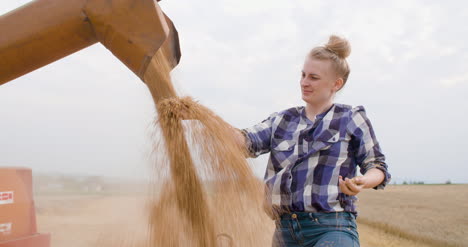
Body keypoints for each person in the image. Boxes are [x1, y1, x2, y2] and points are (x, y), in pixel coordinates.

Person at [233, 35, 391, 247]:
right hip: (285, 233)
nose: (304, 82)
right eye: (303, 75)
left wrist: (363, 181)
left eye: (313, 77)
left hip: (332, 228)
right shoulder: (282, 120)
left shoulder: (350, 118)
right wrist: (201, 117)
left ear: (336, 84)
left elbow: (377, 166)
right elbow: (243, 141)